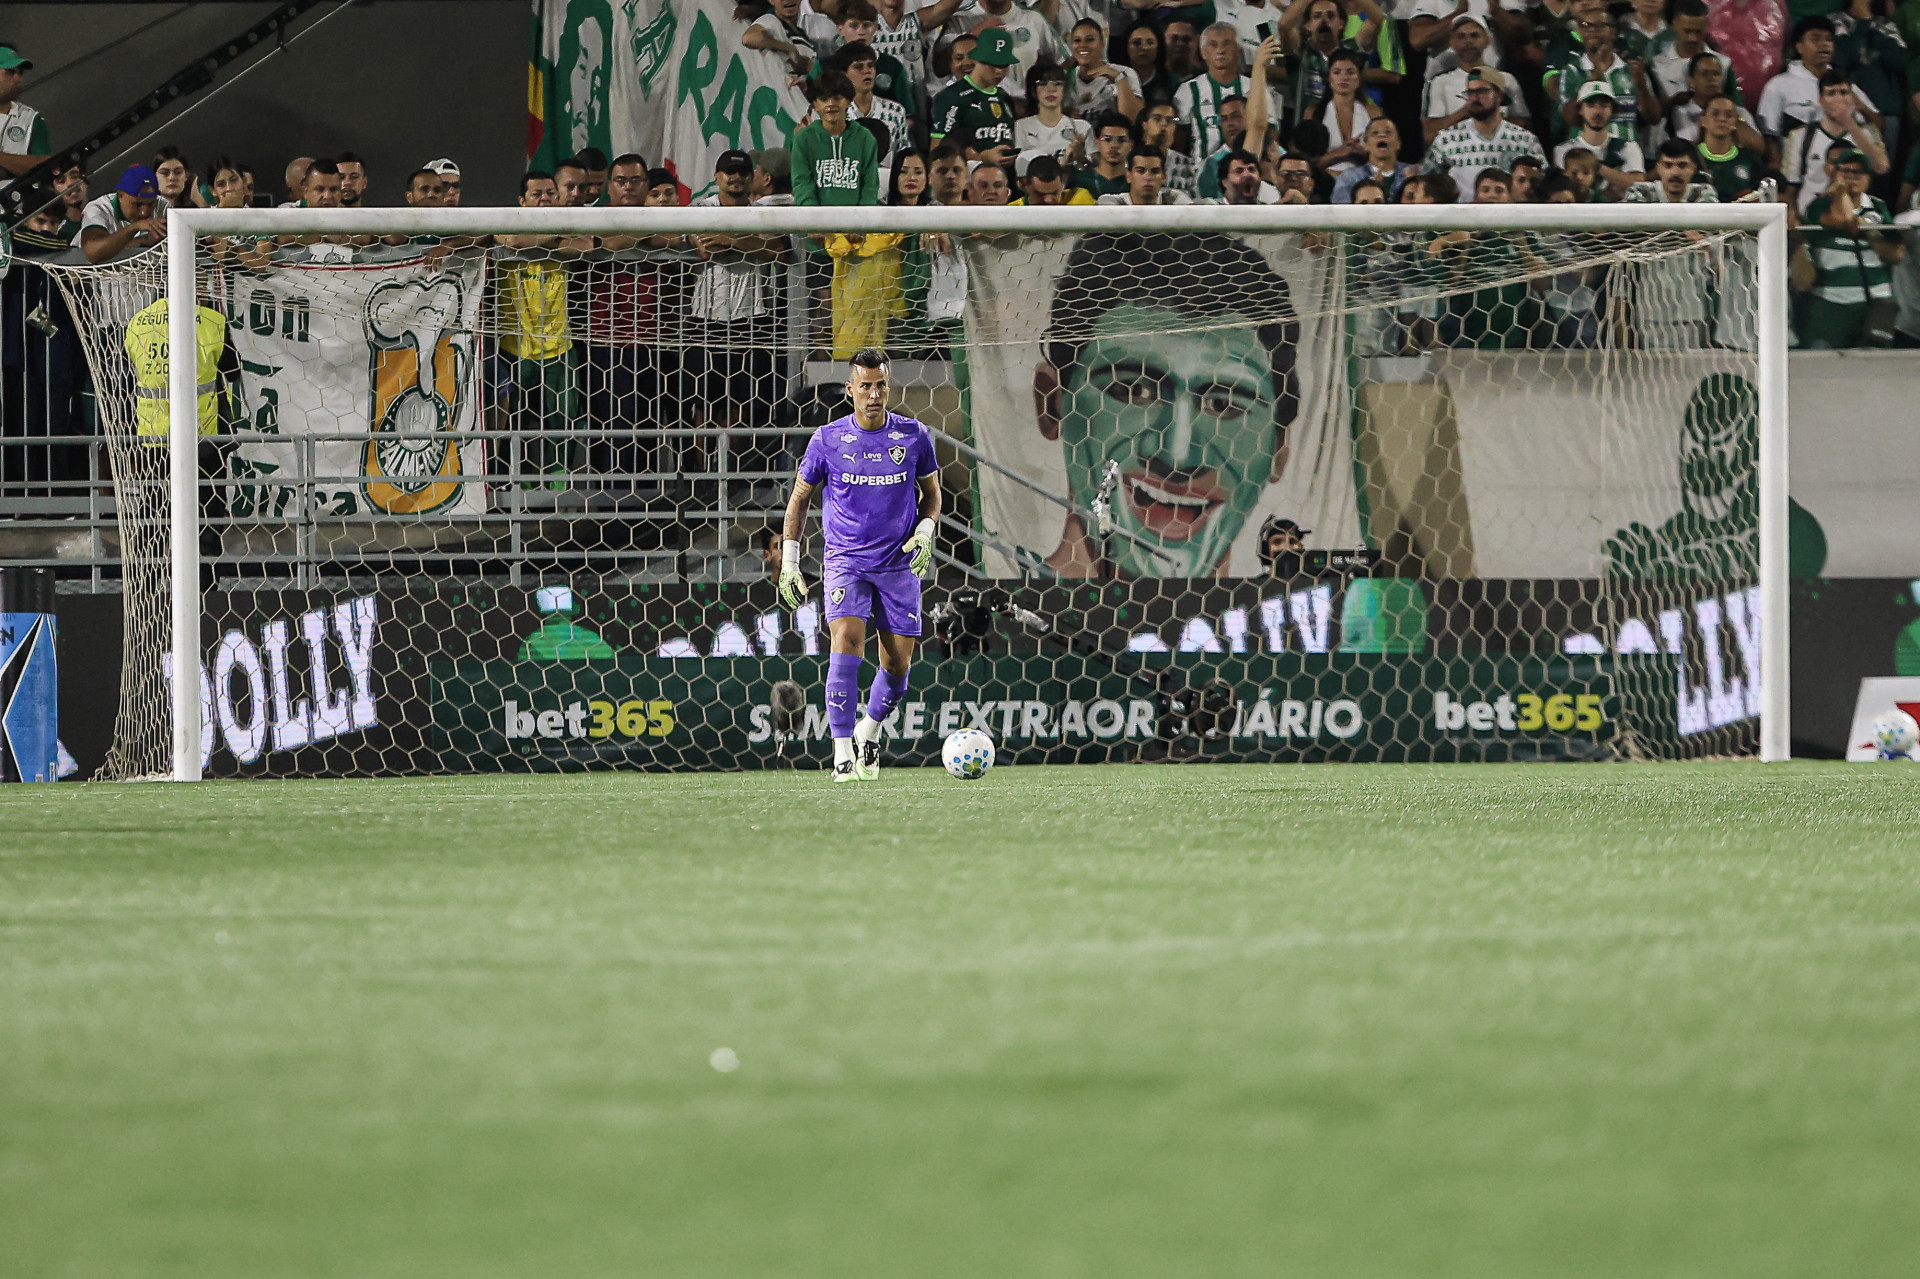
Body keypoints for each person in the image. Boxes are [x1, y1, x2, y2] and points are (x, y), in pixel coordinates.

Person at [1032, 231, 1298, 578]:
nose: (1177, 456)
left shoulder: (1298, 613)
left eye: (1223, 404)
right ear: (1052, 405)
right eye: (1133, 391)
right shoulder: (999, 605)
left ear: (1278, 449)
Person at [778, 348, 942, 781]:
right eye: (865, 386)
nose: (873, 394)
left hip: (898, 563)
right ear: (850, 389)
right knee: (847, 640)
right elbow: (800, 499)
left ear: (889, 387)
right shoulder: (827, 439)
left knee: (898, 666)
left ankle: (869, 729)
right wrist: (790, 561)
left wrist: (926, 530)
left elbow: (932, 495)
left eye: (880, 385)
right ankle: (842, 753)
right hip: (846, 560)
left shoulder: (914, 436)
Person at [1798, 146, 1903, 348]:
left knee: (1875, 363)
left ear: (1869, 179)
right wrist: (1840, 191)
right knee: (1822, 359)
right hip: (1831, 304)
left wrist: (1869, 231)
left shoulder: (1878, 207)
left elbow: (1896, 254)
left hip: (1876, 302)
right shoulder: (1819, 205)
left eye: (1859, 173)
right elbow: (1844, 220)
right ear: (1834, 173)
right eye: (1845, 171)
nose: (1852, 177)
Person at [1422, 68, 1545, 203]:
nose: (1474, 98)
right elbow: (1426, 182)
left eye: (1481, 91)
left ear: (1499, 95)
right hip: (1460, 214)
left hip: (1511, 214)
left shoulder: (1525, 141)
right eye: (1470, 93)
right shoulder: (1446, 139)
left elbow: (1544, 185)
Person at [1780, 71, 1888, 217]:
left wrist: (1849, 123)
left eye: (1844, 93)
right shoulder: (1801, 135)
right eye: (1831, 94)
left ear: (1852, 98)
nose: (1838, 99)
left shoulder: (1867, 133)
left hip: (1856, 216)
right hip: (1811, 217)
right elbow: (1790, 186)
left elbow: (1881, 167)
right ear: (1820, 100)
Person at [1546, 10, 1658, 147]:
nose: (1591, 30)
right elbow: (1570, 119)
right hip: (1585, 154)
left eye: (1599, 25)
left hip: (1626, 152)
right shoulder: (1571, 71)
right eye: (1585, 25)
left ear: (1614, 32)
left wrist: (1641, 86)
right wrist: (1594, 78)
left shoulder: (1632, 70)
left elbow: (1654, 118)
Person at [1423, 14, 1528, 144]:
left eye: (1474, 35)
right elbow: (1430, 134)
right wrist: (1468, 109)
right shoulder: (1440, 82)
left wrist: (1488, 117)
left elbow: (1525, 126)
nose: (1468, 41)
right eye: (1461, 36)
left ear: (1487, 40)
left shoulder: (1507, 79)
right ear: (1452, 43)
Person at [1757, 17, 1846, 166]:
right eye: (1815, 39)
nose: (1824, 44)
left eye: (1829, 39)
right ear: (1799, 47)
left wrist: (1852, 96)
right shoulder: (1778, 85)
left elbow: (1876, 123)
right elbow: (1770, 135)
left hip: (1841, 167)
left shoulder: (1845, 84)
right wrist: (1775, 170)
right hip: (1796, 165)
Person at [930, 27, 1020, 166]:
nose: (999, 71)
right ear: (977, 58)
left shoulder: (1004, 97)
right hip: (969, 176)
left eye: (1004, 65)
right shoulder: (951, 97)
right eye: (992, 64)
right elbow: (937, 151)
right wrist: (981, 158)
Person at [794, 71, 882, 204]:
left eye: (837, 98)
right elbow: (802, 184)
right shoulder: (804, 139)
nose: (831, 104)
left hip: (857, 216)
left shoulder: (865, 138)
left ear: (849, 101)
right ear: (815, 104)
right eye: (824, 99)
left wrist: (863, 215)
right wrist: (813, 215)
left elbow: (870, 186)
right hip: (814, 216)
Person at [1553, 80, 1645, 199]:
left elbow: (1638, 185)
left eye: (1604, 105)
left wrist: (1597, 167)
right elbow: (1561, 189)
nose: (1597, 112)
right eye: (1590, 105)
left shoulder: (1627, 147)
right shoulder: (1563, 150)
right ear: (1580, 110)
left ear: (1612, 110)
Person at [1666, 51, 1764, 153]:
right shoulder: (1682, 111)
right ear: (1691, 80)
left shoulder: (1739, 112)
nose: (1711, 79)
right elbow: (1687, 150)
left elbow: (1759, 148)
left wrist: (1732, 116)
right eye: (1704, 74)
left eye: (1716, 74)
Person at [837, 41, 909, 170]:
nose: (867, 71)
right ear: (844, 75)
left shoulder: (895, 111)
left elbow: (903, 156)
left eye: (870, 65)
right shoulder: (834, 112)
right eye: (858, 67)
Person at [75, 165, 169, 263]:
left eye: (151, 204)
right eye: (137, 204)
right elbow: (93, 253)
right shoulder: (99, 208)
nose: (144, 212)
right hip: (79, 267)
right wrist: (135, 228)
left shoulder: (163, 206)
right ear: (120, 195)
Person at [1308, 48, 1379, 177]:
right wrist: (1340, 153)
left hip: (1365, 180)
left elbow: (1383, 158)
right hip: (1325, 179)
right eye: (1337, 72)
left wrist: (1364, 154)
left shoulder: (1373, 112)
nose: (1344, 77)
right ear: (1329, 78)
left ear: (1359, 79)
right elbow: (1307, 162)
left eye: (1350, 72)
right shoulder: (1313, 112)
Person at [1015, 62, 1091, 173]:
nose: (1051, 89)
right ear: (1033, 91)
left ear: (1064, 90)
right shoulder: (1022, 126)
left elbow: (1091, 169)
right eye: (1043, 84)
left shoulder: (1082, 127)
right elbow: (1021, 168)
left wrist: (1079, 157)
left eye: (1057, 83)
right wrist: (1061, 162)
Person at [1693, 94, 1766, 202]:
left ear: (1736, 121)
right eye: (1715, 114)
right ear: (1703, 120)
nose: (1722, 119)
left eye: (1728, 115)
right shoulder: (1690, 156)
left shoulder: (1750, 159)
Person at [1065, 18, 1143, 119]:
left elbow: (1134, 118)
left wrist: (1119, 78)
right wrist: (1062, 113)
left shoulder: (1125, 72)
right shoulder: (1065, 77)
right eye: (1077, 40)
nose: (1083, 45)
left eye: (1090, 39)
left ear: (1102, 44)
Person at [1332, 115, 1415, 202]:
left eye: (1388, 132)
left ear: (1398, 144)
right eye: (1375, 133)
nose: (1382, 135)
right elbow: (1341, 207)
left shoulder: (1415, 174)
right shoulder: (1349, 177)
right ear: (1366, 145)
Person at [0, 44, 49, 182]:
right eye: (10, 72)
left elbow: (45, 167)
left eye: (20, 72)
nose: (18, 79)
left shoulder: (31, 118)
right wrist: (16, 166)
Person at [1623, 138, 1717, 203]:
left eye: (1682, 166)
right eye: (1668, 165)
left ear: (1693, 168)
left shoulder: (1704, 192)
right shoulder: (1640, 191)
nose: (1675, 173)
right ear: (1658, 168)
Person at [743, 0, 817, 78]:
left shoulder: (803, 33)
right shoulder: (771, 20)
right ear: (771, 1)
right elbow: (748, 38)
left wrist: (811, 69)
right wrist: (789, 49)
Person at [1095, 144, 1192, 204]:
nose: (1148, 177)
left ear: (1164, 176)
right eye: (1140, 171)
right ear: (1128, 176)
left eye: (1155, 171)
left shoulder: (1173, 198)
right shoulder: (1113, 202)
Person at [1072, 111, 1134, 197]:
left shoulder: (1136, 182)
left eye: (1121, 140)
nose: (1114, 145)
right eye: (1107, 139)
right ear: (1097, 143)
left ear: (1131, 144)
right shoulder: (1079, 181)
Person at [1121, 21, 1178, 105]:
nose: (1144, 47)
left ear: (1159, 47)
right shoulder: (1117, 78)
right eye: (1136, 43)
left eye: (1150, 43)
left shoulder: (1171, 81)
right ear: (1126, 47)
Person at [1013, 153, 1094, 203]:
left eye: (1055, 193)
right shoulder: (1013, 211)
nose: (1048, 200)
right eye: (1040, 194)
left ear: (1062, 184)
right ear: (1025, 185)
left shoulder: (1079, 199)